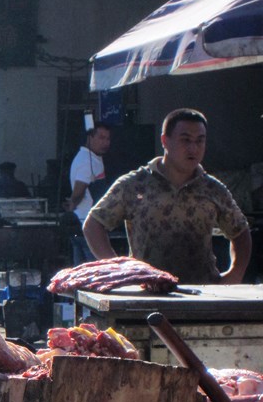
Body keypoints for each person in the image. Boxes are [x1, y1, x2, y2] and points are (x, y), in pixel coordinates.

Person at [83, 108, 252, 284]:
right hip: (147, 295)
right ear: (165, 140)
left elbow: (241, 232)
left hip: (202, 296)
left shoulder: (213, 189)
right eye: (185, 140)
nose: (193, 148)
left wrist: (235, 273)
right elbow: (93, 225)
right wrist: (119, 270)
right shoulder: (135, 184)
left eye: (199, 141)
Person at [64, 122, 111, 263]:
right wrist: (73, 203)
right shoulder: (87, 161)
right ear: (90, 138)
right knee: (95, 271)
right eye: (101, 138)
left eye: (108, 139)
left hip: (82, 224)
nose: (106, 142)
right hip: (88, 225)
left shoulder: (91, 158)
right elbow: (79, 189)